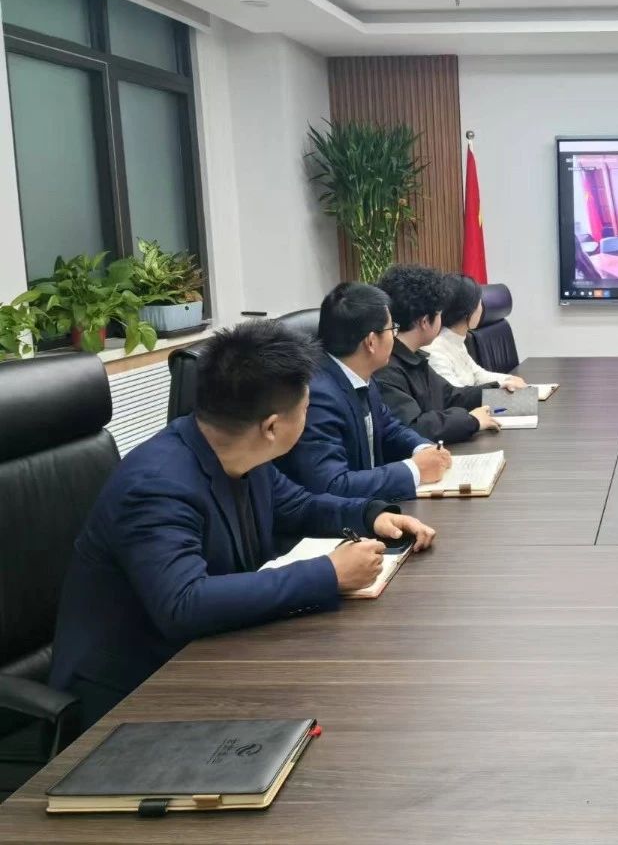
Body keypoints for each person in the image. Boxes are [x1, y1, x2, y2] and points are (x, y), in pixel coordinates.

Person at [50, 320, 436, 726]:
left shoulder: (236, 449)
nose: (309, 416)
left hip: (214, 655)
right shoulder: (156, 485)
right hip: (133, 695)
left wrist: (372, 515)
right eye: (306, 408)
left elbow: (298, 505)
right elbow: (184, 603)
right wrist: (329, 573)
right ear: (272, 427)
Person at [276, 282, 451, 502]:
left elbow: (388, 428)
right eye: (392, 329)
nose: (394, 336)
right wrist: (414, 470)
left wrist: (423, 449)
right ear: (371, 341)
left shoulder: (359, 373)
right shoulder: (318, 397)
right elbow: (332, 485)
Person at [374, 265, 500, 444]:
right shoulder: (386, 368)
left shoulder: (413, 356)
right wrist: (471, 420)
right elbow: (415, 427)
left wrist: (497, 391)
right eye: (440, 314)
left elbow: (450, 396)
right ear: (425, 321)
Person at [427, 273, 527, 391]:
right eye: (479, 303)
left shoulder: (456, 340)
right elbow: (457, 396)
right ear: (467, 311)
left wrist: (509, 379)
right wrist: (501, 385)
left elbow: (477, 374)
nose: (483, 308)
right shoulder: (435, 352)